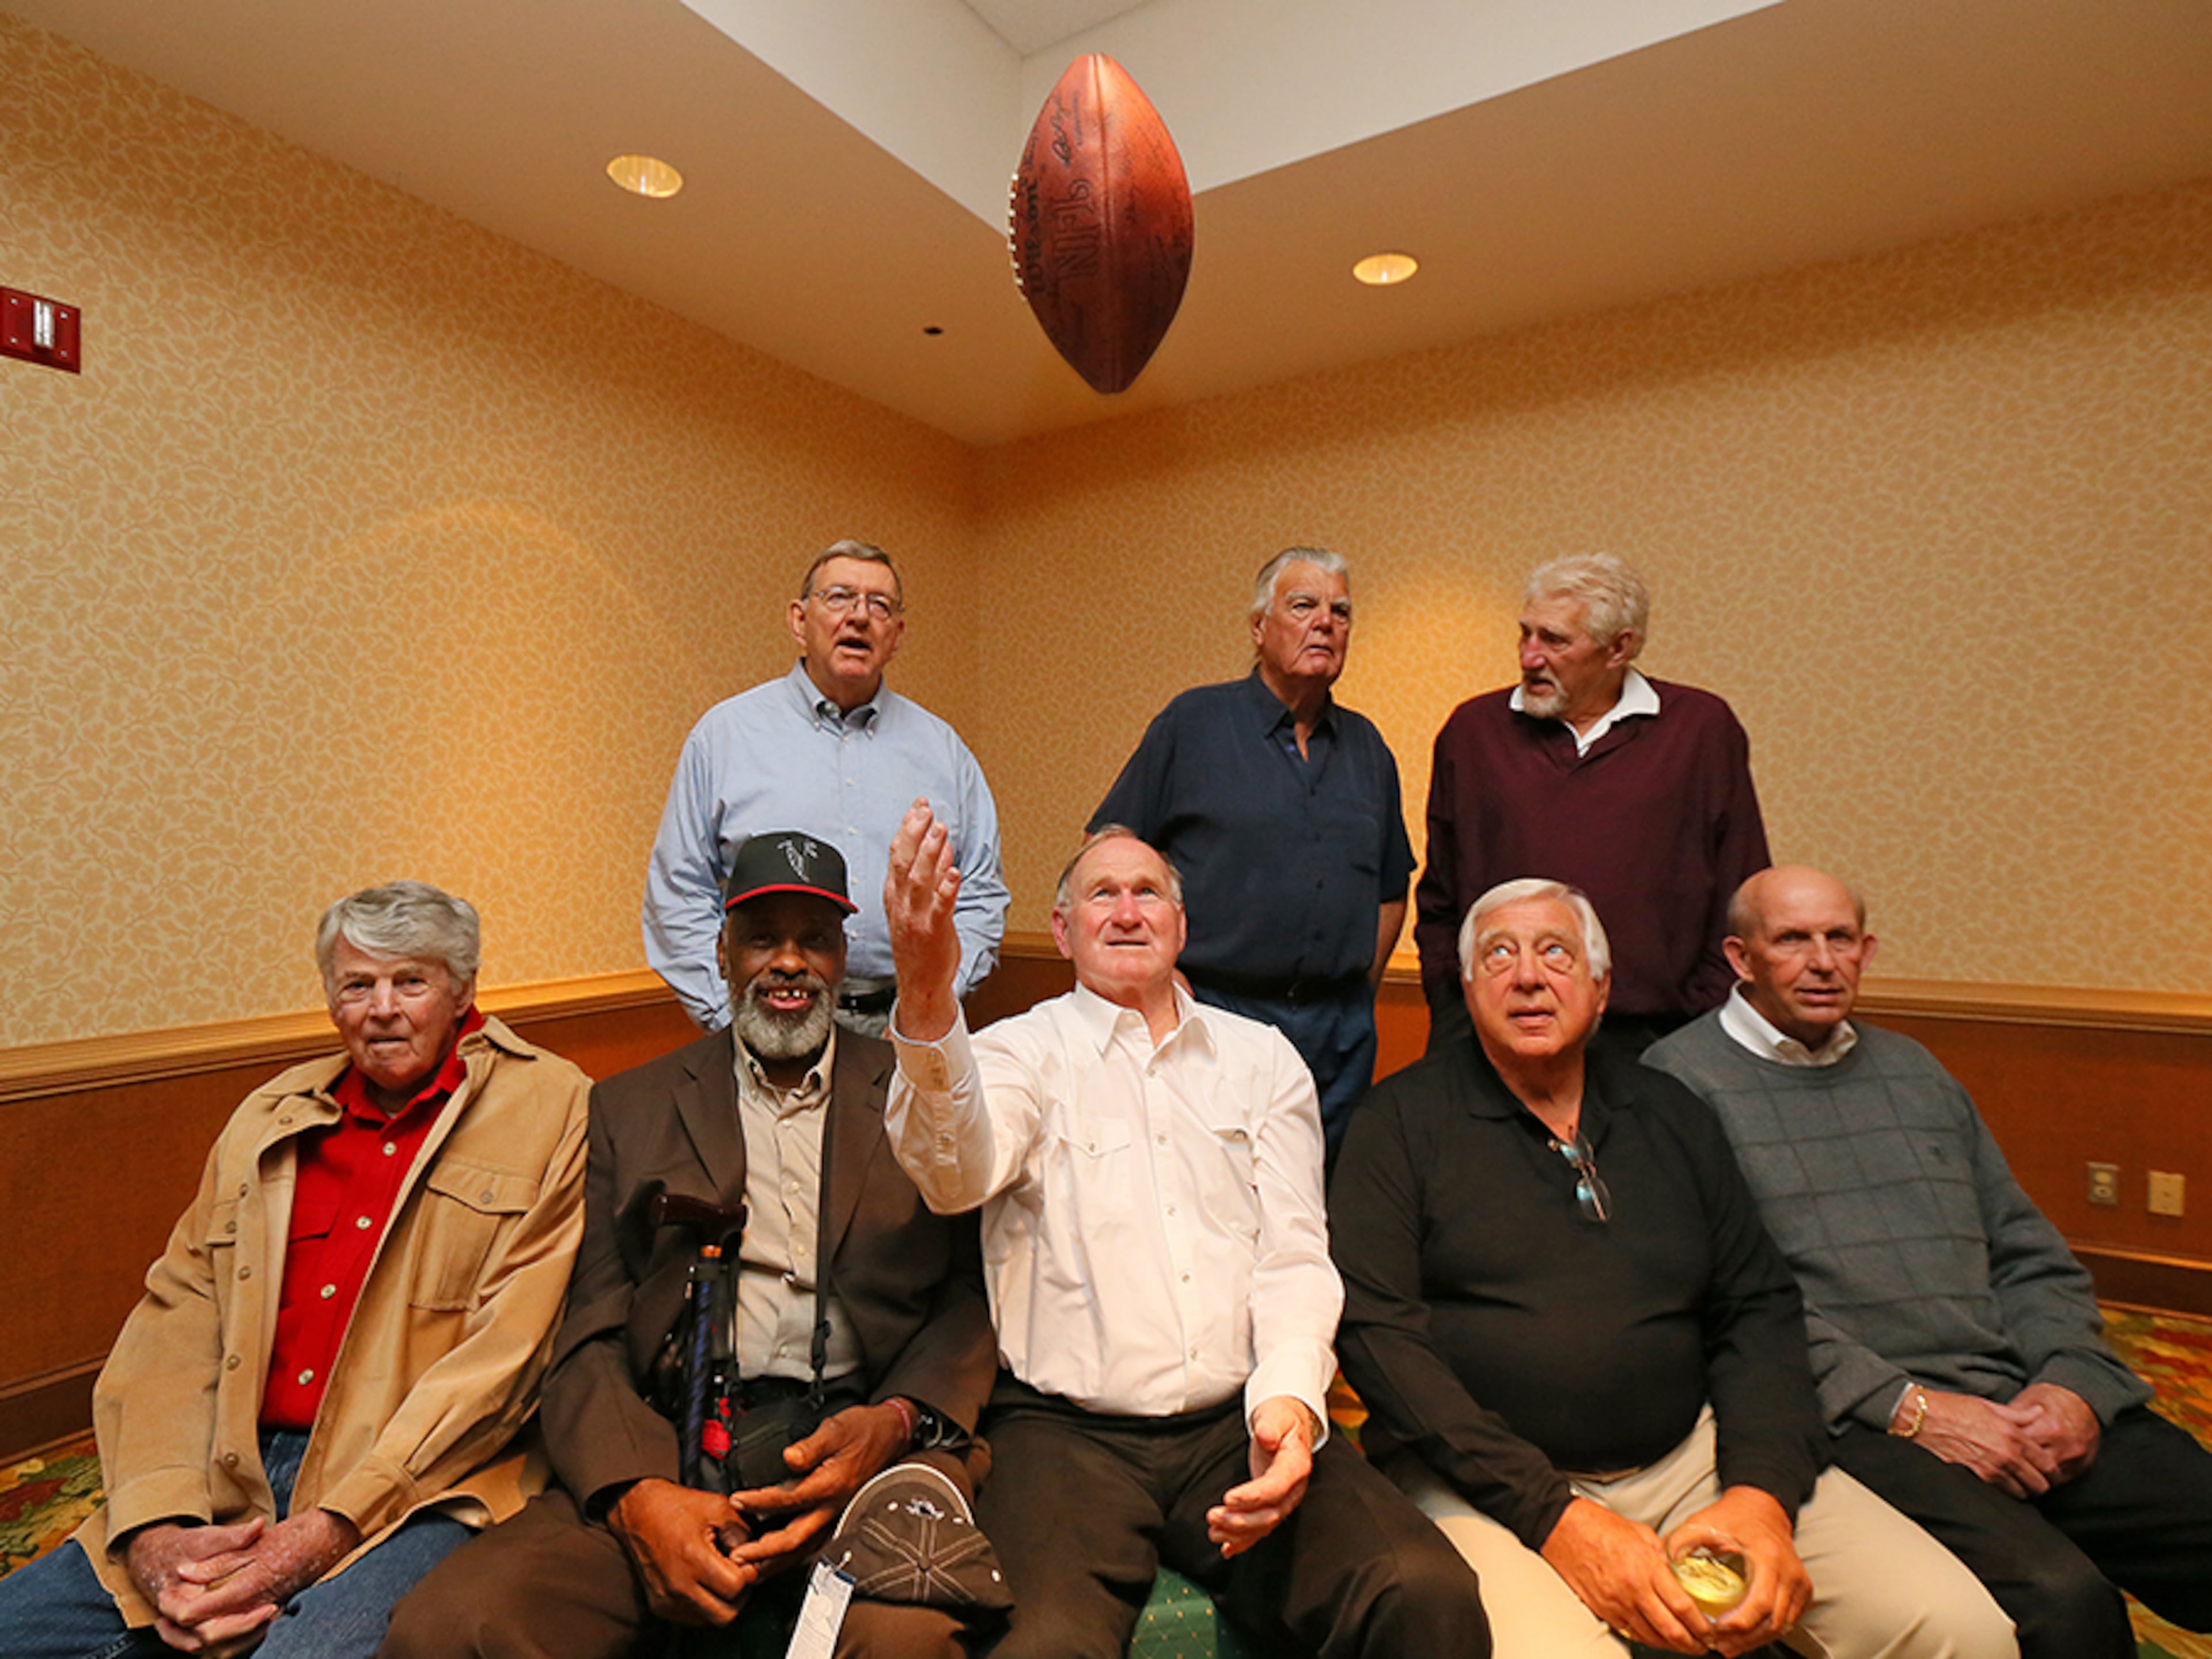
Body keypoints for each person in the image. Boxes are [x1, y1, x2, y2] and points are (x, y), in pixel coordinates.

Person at [1331, 877, 2014, 1658]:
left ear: (1601, 988)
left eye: (1556, 953)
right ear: (1467, 987)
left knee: (1960, 1628)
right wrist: (1556, 1517)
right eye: (1499, 956)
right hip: (1481, 1484)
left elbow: (1757, 1308)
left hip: (1697, 1459)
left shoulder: (1672, 1110)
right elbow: (1381, 1342)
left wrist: (1760, 1494)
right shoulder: (1397, 1125)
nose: (1528, 977)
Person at [880, 805, 1493, 1659]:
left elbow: (1295, 1256)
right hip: (1064, 1437)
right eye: (1102, 895)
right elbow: (953, 1177)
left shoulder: (1262, 1060)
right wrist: (924, 987)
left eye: (1148, 894)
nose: (1127, 912)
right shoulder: (1019, 1054)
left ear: (1181, 925)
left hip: (1235, 1425)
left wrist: (1288, 1404)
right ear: (1061, 930)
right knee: (1042, 1648)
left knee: (1424, 1592)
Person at [385, 832, 1003, 1659]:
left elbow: (969, 1296)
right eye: (761, 938)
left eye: (815, 940)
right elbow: (590, 1329)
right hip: (674, 1447)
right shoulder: (629, 1108)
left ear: (843, 958)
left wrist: (892, 1423)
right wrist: (639, 1494)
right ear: (722, 954)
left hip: (867, 1454)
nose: (789, 963)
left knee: (905, 1647)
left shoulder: (918, 1095)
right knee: (451, 1628)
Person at [0, 882, 590, 1659]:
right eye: (358, 985)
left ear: (462, 990)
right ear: (331, 999)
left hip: (422, 1486)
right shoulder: (266, 1118)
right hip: (228, 1471)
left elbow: (509, 1355)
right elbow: (176, 1322)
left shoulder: (554, 1107)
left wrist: (326, 1532)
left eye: (411, 982)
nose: (383, 1009)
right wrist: (155, 1526)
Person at [1645, 865, 2212, 1659]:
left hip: (2018, 1394)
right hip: (1859, 1420)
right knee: (2064, 1603)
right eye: (1793, 940)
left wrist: (2071, 1385)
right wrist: (1914, 1409)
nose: (1822, 962)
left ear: (1867, 950)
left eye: (1840, 938)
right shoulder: (1676, 1085)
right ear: (1741, 958)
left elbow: (2027, 1253)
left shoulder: (1914, 1071)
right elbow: (1732, 1304)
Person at [1090, 547, 1415, 1158]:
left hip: (1338, 1036)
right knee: (1209, 1191)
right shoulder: (1194, 723)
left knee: (1319, 1199)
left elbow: (1391, 889)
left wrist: (1354, 994)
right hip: (1214, 1014)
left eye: (1341, 611)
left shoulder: (1368, 748)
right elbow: (1108, 851)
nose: (1325, 622)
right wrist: (1159, 974)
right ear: (1259, 627)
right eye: (1304, 606)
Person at [643, 539, 1008, 1037]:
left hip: (907, 1025)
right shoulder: (724, 737)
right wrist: (731, 1021)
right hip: (767, 1019)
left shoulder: (944, 751)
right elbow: (678, 893)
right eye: (838, 598)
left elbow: (981, 896)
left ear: (897, 636)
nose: (858, 617)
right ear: (799, 621)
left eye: (879, 605)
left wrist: (928, 1001)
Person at [1414, 553, 1767, 1055]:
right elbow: (1441, 894)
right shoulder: (1473, 731)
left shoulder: (1701, 729)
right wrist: (1455, 1007)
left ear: (1618, 647)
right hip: (1498, 1034)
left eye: (1554, 640)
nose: (1530, 657)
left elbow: (1743, 891)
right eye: (1525, 634)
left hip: (1658, 1040)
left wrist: (1701, 1022)